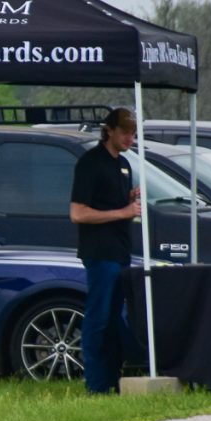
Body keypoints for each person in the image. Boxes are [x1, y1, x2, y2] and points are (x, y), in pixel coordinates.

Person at [69, 106, 142, 394]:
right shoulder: (90, 163)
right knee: (98, 318)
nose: (129, 139)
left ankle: (113, 379)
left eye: (133, 134)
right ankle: (96, 385)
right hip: (100, 253)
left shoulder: (123, 165)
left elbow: (111, 202)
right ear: (109, 129)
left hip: (121, 251)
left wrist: (128, 198)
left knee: (115, 318)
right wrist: (123, 211)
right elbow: (78, 213)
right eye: (124, 132)